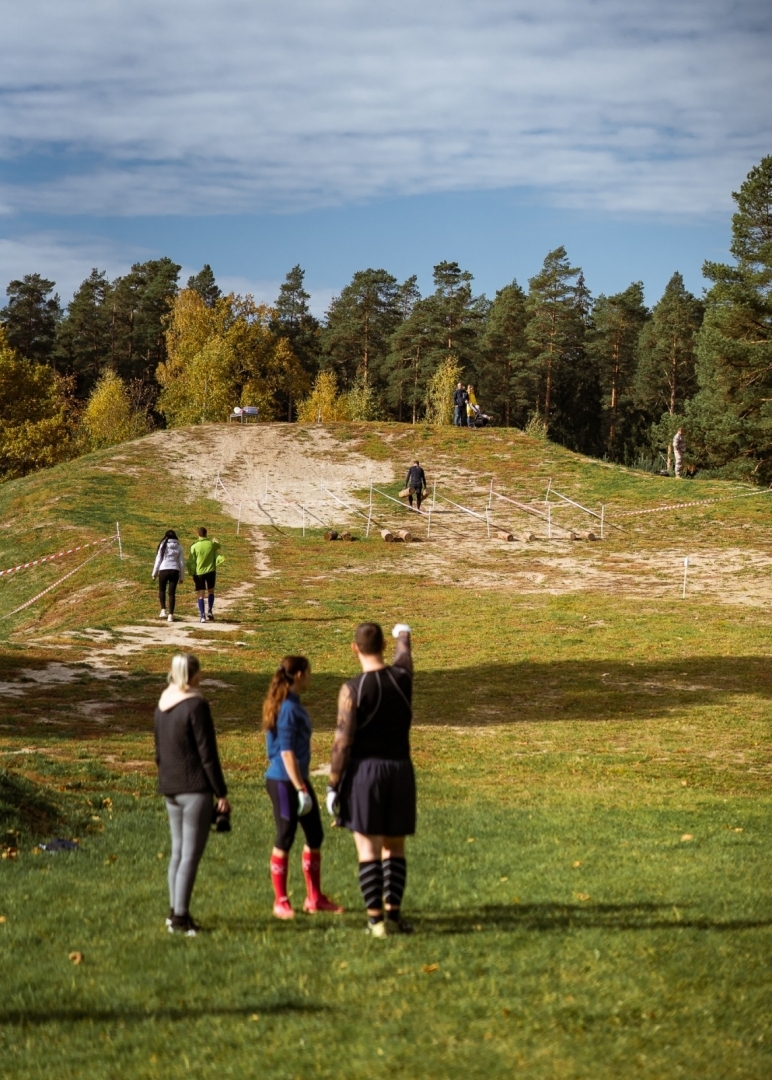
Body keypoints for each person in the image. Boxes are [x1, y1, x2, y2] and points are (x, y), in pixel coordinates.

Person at [326, 622, 416, 937]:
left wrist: (333, 784)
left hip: (365, 773)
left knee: (368, 849)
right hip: (400, 770)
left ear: (355, 649)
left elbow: (342, 742)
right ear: (381, 647)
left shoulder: (353, 689)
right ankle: (394, 916)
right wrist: (403, 634)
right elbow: (404, 655)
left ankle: (376, 921)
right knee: (395, 848)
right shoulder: (403, 678)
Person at [154, 653, 230, 936]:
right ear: (193, 675)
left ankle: (174, 911)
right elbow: (207, 754)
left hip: (170, 786)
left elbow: (159, 751)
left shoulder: (162, 703)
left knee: (177, 852)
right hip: (194, 788)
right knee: (190, 855)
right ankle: (181, 919)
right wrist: (220, 792)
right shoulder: (196, 705)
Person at [263, 656, 343, 919]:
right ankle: (280, 901)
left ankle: (314, 898)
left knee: (315, 835)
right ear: (298, 675)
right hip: (285, 782)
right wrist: (300, 788)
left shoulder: (292, 703)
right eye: (309, 672)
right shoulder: (287, 708)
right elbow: (286, 754)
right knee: (285, 836)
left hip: (297, 780)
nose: (311, 676)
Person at [188, 527, 221, 623]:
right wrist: (216, 541)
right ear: (206, 534)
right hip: (211, 571)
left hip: (199, 573)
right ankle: (210, 610)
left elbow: (192, 561)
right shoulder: (211, 544)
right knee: (211, 591)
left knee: (201, 594)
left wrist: (191, 572)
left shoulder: (194, 546)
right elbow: (218, 546)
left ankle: (202, 616)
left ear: (197, 534)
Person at [152, 530, 185, 623]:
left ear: (166, 536)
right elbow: (181, 563)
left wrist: (154, 573)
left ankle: (163, 610)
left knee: (162, 590)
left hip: (164, 569)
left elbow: (158, 559)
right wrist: (182, 577)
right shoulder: (179, 546)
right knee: (172, 593)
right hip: (175, 570)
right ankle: (170, 615)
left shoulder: (163, 545)